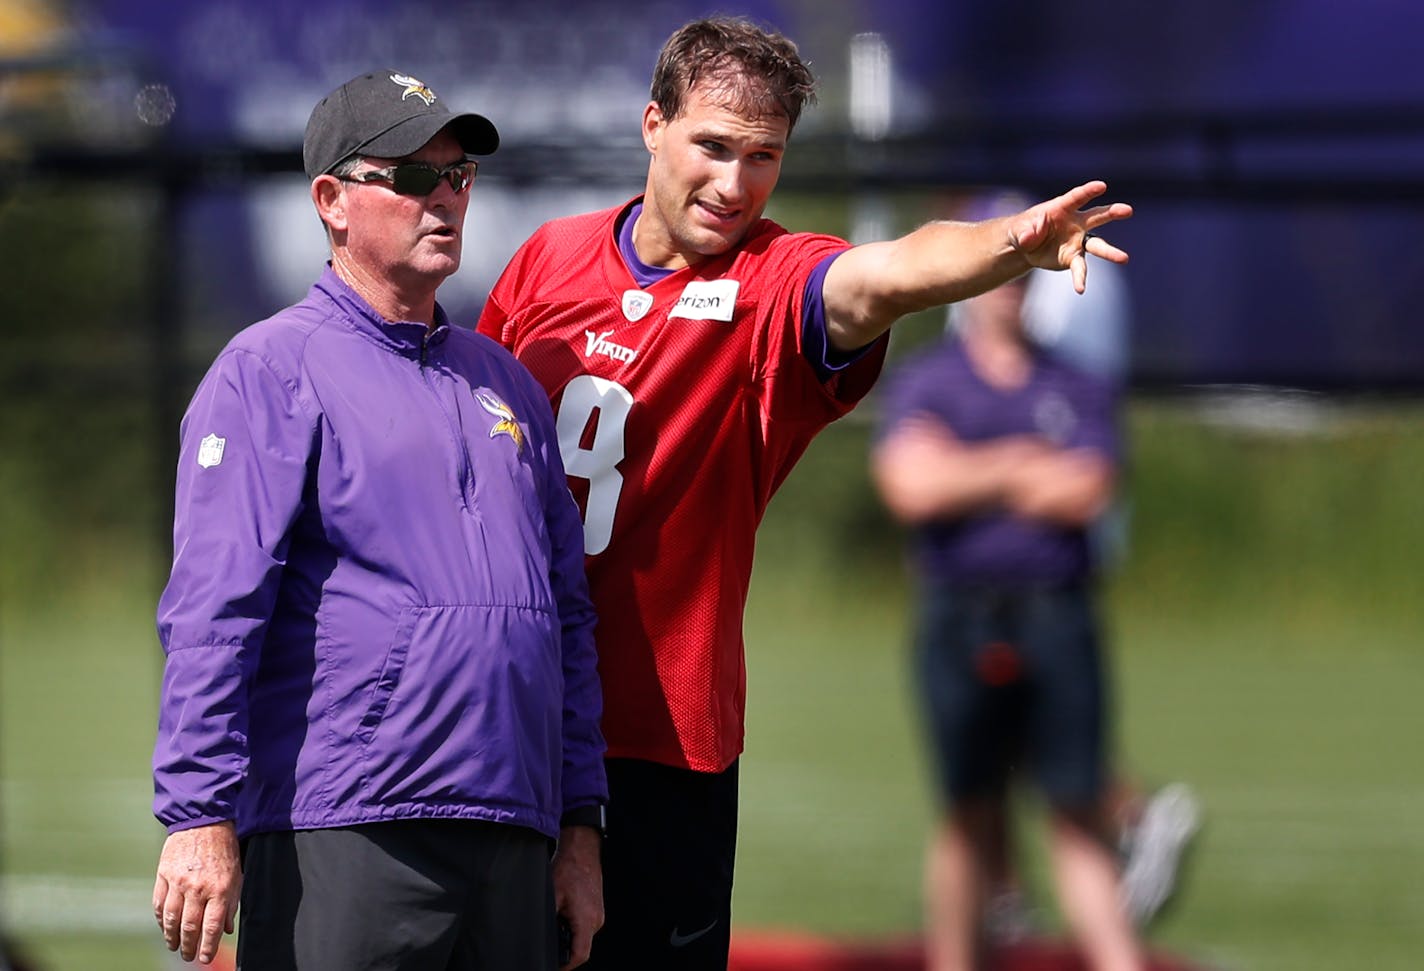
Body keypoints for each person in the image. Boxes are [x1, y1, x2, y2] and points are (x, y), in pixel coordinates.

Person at [476, 16, 1131, 970]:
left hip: (662, 735)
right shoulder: (548, 258)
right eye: (713, 146)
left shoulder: (772, 283)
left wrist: (1009, 243)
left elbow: (888, 272)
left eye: (764, 157)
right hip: (512, 712)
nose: (735, 184)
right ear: (652, 124)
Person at [150, 69, 607, 971]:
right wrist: (198, 814)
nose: (443, 197)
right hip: (348, 826)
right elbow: (213, 613)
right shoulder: (268, 372)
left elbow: (569, 620)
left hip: (513, 828)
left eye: (459, 176)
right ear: (332, 200)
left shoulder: (507, 381)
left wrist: (580, 826)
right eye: (410, 176)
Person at [869, 258, 1140, 969]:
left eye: (1021, 280)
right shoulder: (929, 379)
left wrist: (965, 468)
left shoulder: (1076, 381)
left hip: (1057, 614)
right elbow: (910, 488)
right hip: (958, 615)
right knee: (967, 810)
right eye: (998, 277)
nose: (1008, 294)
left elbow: (1087, 490)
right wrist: (1023, 460)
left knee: (1075, 810)